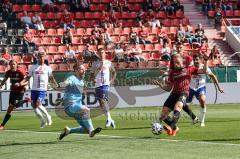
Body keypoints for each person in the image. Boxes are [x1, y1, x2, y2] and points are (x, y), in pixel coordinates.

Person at [152, 54, 209, 136]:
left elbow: (204, 71)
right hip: (174, 94)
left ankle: (171, 127)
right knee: (163, 115)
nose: (176, 64)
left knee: (177, 107)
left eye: (178, 62)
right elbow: (168, 88)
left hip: (183, 92)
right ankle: (175, 128)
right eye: (174, 62)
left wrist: (206, 61)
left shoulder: (189, 69)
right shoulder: (172, 73)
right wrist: (160, 85)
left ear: (182, 62)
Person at [57, 64, 102, 140]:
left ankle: (69, 131)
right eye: (82, 69)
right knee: (86, 110)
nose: (84, 71)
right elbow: (66, 82)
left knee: (85, 129)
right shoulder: (72, 78)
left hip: (76, 108)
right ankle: (92, 131)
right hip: (70, 106)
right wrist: (60, 84)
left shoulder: (81, 82)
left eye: (84, 69)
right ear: (76, 71)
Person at [183, 54, 224, 127]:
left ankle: (202, 121)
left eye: (197, 59)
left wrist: (219, 87)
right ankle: (194, 118)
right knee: (183, 104)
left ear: (200, 60)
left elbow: (213, 76)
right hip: (191, 88)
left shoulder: (204, 67)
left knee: (202, 100)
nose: (196, 61)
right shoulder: (190, 66)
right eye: (194, 59)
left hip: (200, 87)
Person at [20, 52, 58, 128]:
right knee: (34, 106)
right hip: (34, 89)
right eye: (40, 57)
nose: (41, 58)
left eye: (43, 57)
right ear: (37, 57)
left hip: (42, 89)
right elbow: (28, 77)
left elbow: (51, 78)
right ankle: (43, 121)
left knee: (37, 103)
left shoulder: (48, 68)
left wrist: (56, 85)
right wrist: (21, 83)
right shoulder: (33, 67)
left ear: (45, 57)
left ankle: (48, 116)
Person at [90, 48, 117, 128]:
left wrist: (111, 80)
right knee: (101, 104)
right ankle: (110, 119)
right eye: (100, 53)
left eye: (103, 52)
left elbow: (114, 72)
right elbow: (91, 76)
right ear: (98, 54)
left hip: (105, 84)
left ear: (105, 53)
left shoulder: (108, 63)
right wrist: (93, 79)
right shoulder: (94, 63)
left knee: (103, 100)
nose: (101, 54)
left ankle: (109, 119)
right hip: (97, 85)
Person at [0, 60, 30, 129]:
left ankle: (2, 125)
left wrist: (20, 84)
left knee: (12, 106)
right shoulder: (8, 72)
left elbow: (27, 82)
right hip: (13, 91)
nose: (12, 66)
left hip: (20, 91)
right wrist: (1, 85)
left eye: (13, 64)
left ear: (16, 65)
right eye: (11, 64)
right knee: (10, 108)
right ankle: (2, 125)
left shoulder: (20, 72)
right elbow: (4, 79)